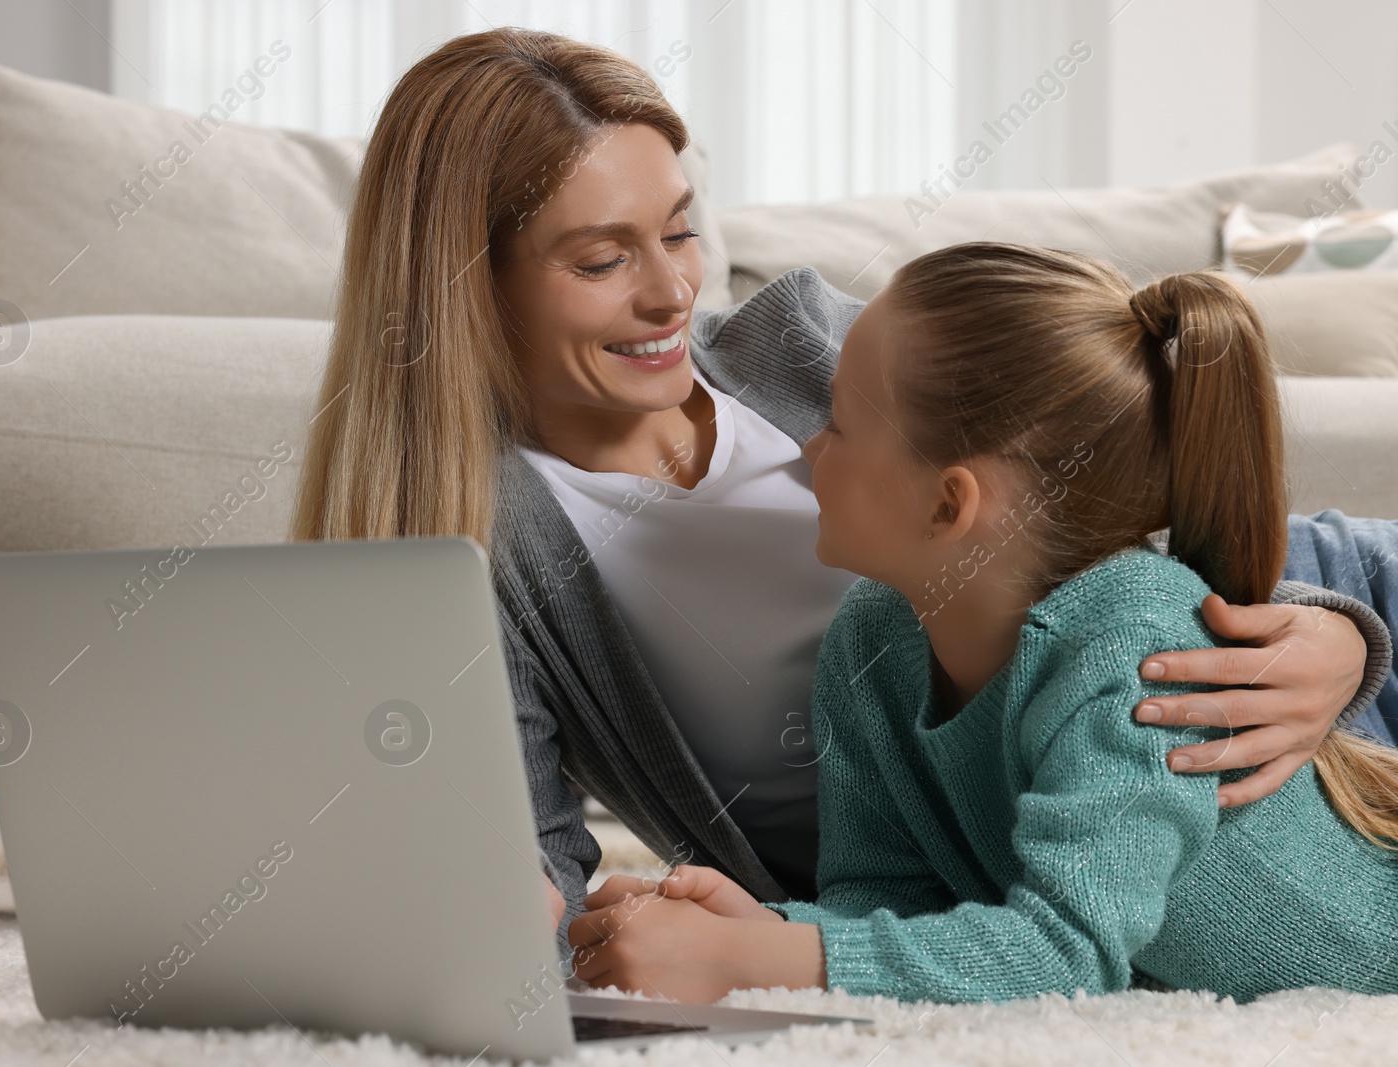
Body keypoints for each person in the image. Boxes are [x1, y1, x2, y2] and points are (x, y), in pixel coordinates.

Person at [288, 27, 1396, 947]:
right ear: (458, 287)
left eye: (680, 230)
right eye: (600, 260)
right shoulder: (472, 542)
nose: (673, 289)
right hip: (940, 924)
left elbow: (1127, 513)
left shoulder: (807, 346)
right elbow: (533, 860)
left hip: (1296, 802)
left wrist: (1343, 636)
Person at [569, 244, 1398, 1004]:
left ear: (949, 502)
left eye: (843, 428)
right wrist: (766, 932)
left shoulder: (1131, 644)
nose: (808, 449)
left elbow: (1070, 952)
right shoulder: (870, 640)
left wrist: (752, 964)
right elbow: (885, 897)